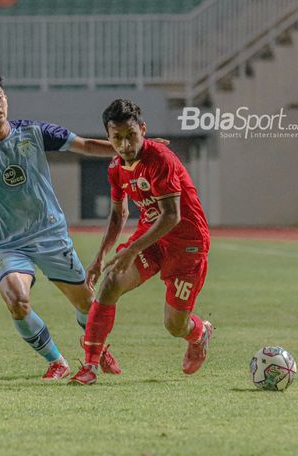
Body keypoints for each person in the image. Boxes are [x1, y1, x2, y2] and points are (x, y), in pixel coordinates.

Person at [0, 72, 124, 381]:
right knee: (17, 299)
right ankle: (56, 360)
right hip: (8, 243)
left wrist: (131, 148)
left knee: (87, 303)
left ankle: (95, 345)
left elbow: (86, 145)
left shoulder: (34, 132)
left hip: (49, 235)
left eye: (0, 97)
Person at [69, 99, 212, 385]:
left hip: (187, 243)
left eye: (131, 135)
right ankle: (90, 367)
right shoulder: (116, 168)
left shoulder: (161, 159)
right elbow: (118, 214)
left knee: (175, 325)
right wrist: (100, 258)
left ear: (143, 130)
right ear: (108, 138)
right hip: (151, 240)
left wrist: (132, 249)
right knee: (110, 281)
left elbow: (171, 216)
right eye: (117, 138)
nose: (125, 144)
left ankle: (200, 334)